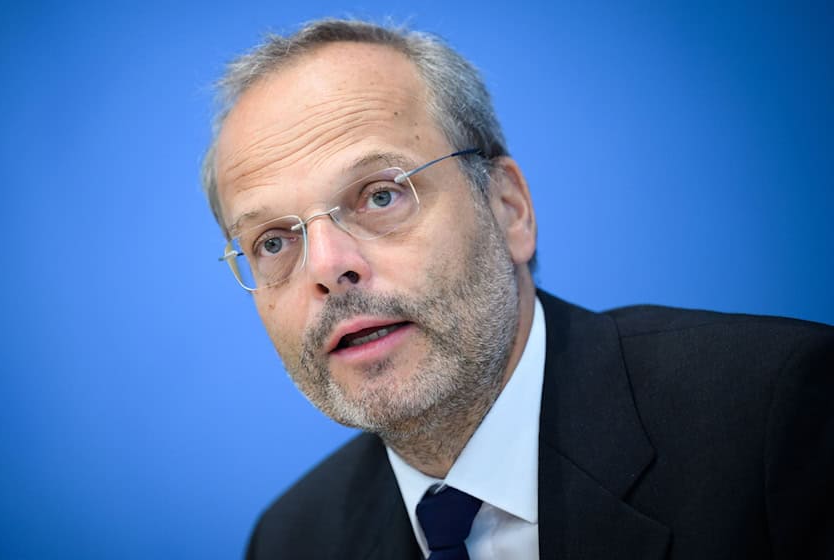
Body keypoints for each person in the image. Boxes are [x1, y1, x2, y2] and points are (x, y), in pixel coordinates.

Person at [200, 18, 834, 560]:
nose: (328, 267)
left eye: (381, 195)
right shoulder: (292, 540)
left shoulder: (774, 411)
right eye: (274, 242)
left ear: (508, 209)